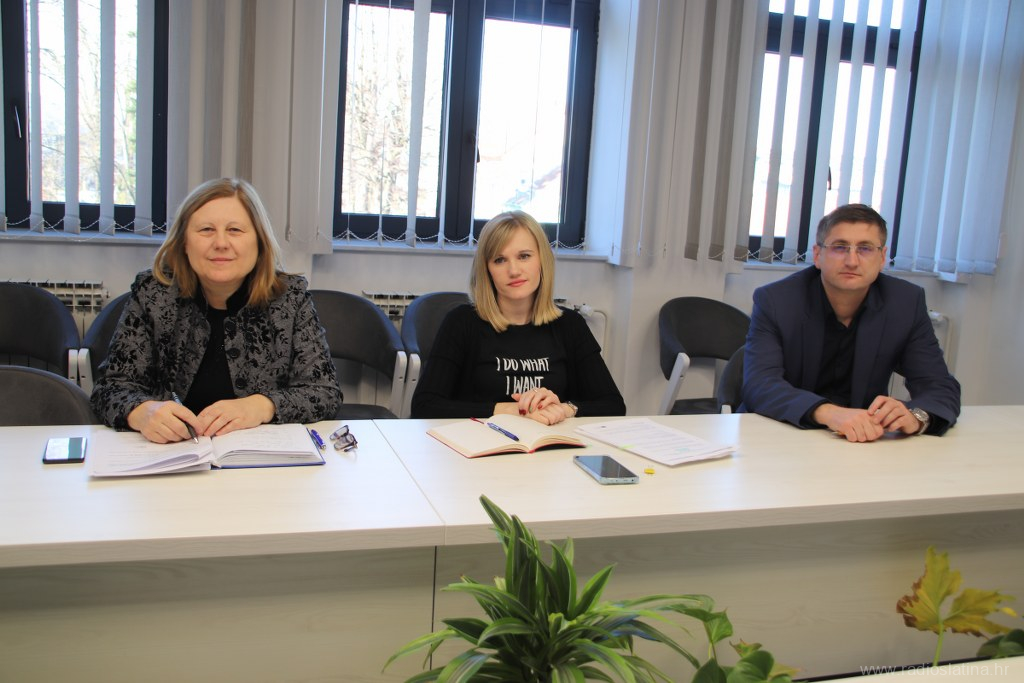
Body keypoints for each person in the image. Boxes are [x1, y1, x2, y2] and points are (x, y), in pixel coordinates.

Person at [91, 177, 342, 443]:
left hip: (257, 457)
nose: (221, 243)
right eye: (206, 230)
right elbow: (110, 388)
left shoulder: (290, 297)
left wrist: (261, 406)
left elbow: (324, 392)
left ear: (259, 242)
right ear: (184, 243)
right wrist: (142, 412)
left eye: (235, 230)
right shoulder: (152, 293)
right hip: (169, 453)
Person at [741, 203, 960, 442]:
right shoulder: (776, 301)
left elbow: (938, 384)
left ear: (882, 258)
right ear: (817, 255)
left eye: (865, 248)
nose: (852, 261)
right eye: (839, 247)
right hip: (783, 436)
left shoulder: (905, 303)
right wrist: (828, 413)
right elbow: (760, 385)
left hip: (864, 440)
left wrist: (915, 417)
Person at [411, 211, 626, 424]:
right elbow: (424, 406)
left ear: (542, 260)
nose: (514, 270)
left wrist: (564, 409)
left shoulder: (570, 325)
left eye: (524, 256)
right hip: (480, 443)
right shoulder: (461, 323)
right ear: (487, 270)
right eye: (500, 260)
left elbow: (613, 405)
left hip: (548, 441)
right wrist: (508, 409)